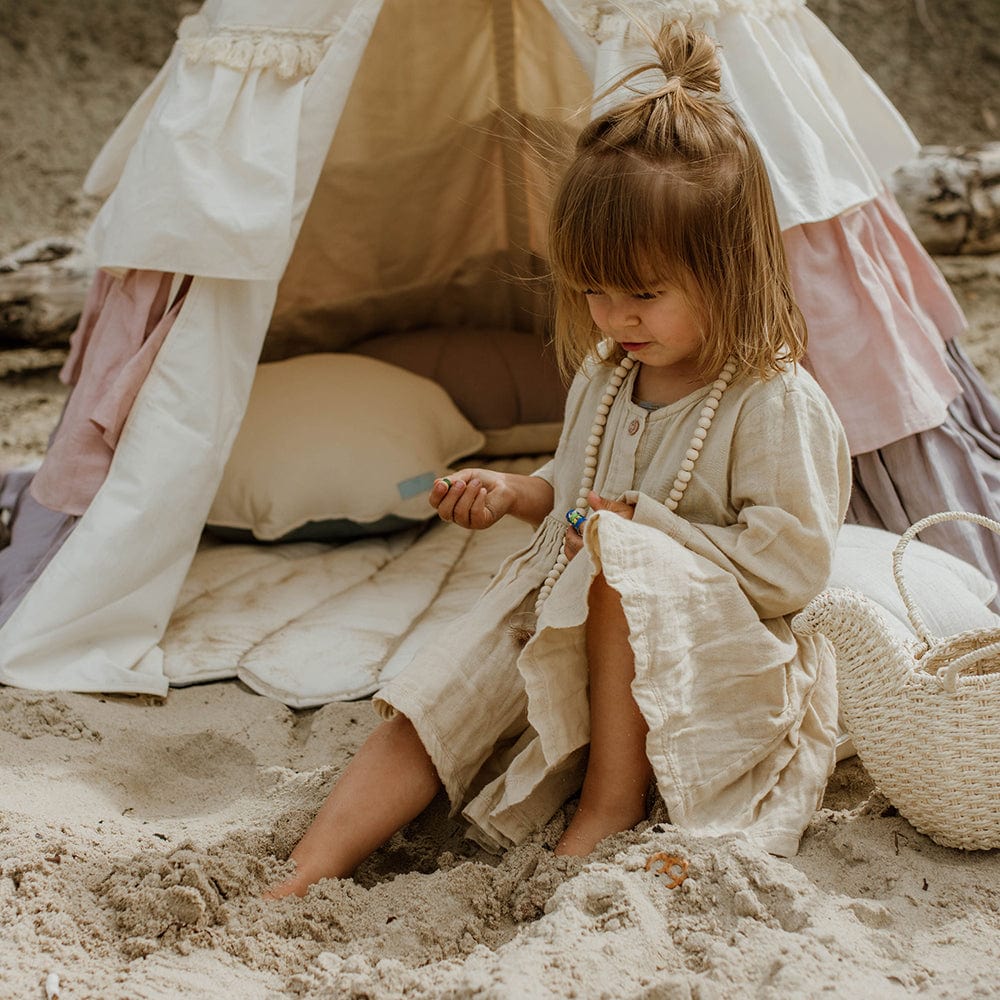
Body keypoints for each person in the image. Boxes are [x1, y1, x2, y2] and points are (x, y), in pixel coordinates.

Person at [265, 20, 851, 899]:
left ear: (730, 269)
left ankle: (607, 805)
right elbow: (570, 490)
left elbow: (792, 567)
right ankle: (307, 868)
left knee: (618, 561)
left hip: (709, 648)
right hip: (571, 614)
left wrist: (638, 534)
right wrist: (513, 492)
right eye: (594, 291)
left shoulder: (770, 401)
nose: (615, 317)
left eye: (644, 294)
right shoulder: (608, 377)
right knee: (442, 692)